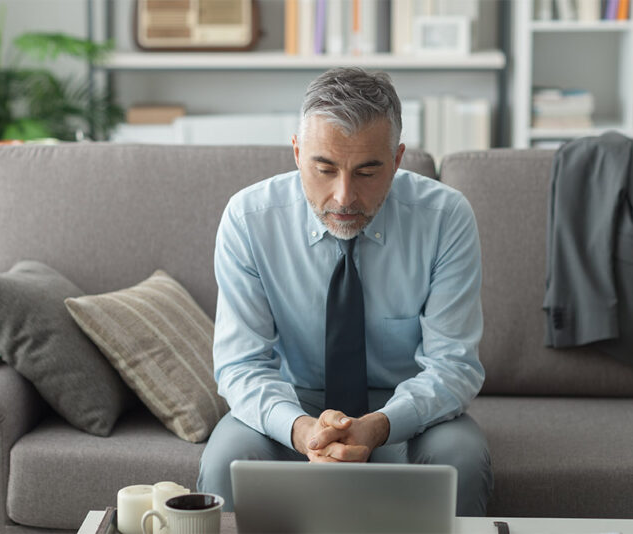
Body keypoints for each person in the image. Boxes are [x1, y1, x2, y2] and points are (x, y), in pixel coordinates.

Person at [197, 67, 493, 516]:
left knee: (462, 459)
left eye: (368, 171)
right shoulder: (248, 219)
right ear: (298, 153)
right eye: (325, 168)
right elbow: (241, 366)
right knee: (226, 460)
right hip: (294, 400)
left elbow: (454, 366)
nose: (344, 197)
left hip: (404, 401)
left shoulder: (445, 218)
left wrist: (379, 426)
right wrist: (303, 430)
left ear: (397, 159)